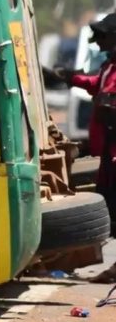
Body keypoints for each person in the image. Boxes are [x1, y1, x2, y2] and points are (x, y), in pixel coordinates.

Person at [56, 12, 116, 231]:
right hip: (109, 144)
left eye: (102, 37)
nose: (98, 43)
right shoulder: (109, 66)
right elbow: (97, 84)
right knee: (107, 192)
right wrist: (71, 78)